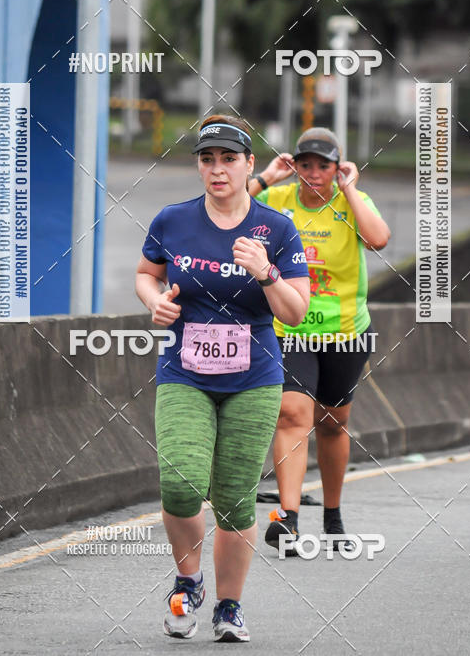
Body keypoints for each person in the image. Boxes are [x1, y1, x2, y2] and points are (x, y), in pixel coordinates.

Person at [136, 115, 310, 642]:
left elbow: (296, 311)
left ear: (249, 164)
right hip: (184, 373)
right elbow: (147, 274)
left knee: (235, 499)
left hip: (253, 379)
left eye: (229, 159)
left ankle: (229, 607)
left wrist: (266, 272)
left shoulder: (276, 230)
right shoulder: (173, 220)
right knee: (180, 481)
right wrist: (155, 303)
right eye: (207, 159)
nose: (218, 170)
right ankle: (188, 581)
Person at [248, 127, 390, 552]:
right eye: (305, 164)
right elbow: (225, 209)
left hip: (344, 332)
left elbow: (378, 239)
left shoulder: (352, 202)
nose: (313, 173)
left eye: (323, 166)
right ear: (294, 166)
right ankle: (288, 519)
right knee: (292, 414)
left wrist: (349, 190)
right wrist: (266, 178)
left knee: (332, 423)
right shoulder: (278, 200)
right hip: (289, 327)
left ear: (336, 169)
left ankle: (332, 515)